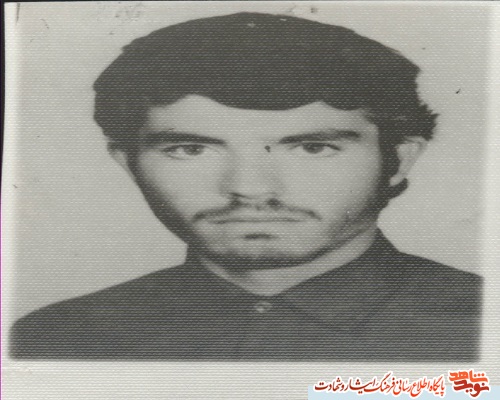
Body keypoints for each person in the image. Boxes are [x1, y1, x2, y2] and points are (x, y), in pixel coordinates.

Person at [11, 12, 482, 361]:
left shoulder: (484, 327)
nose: (250, 189)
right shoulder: (55, 338)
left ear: (398, 159)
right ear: (128, 164)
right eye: (191, 149)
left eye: (312, 148)